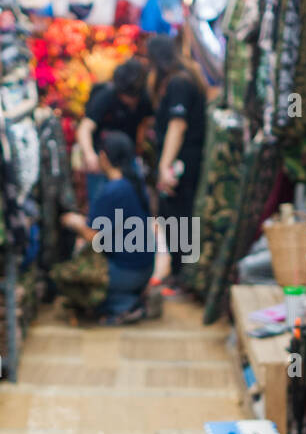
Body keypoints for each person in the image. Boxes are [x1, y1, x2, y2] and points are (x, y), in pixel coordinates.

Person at [60, 132, 156, 325]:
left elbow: (92, 236)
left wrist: (73, 222)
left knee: (68, 279)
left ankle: (125, 304)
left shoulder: (113, 190)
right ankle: (132, 297)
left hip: (128, 271)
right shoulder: (133, 184)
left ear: (104, 157)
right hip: (144, 267)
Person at [145, 34, 207, 280]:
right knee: (178, 215)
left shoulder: (178, 83)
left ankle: (182, 274)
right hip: (184, 158)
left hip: (180, 160)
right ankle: (181, 271)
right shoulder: (186, 76)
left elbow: (177, 125)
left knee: (177, 215)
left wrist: (164, 165)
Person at [77, 59, 150, 205]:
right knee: (102, 205)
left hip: (129, 159)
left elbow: (147, 122)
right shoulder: (106, 96)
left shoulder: (144, 99)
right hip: (103, 161)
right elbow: (85, 128)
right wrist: (89, 154)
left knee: (135, 201)